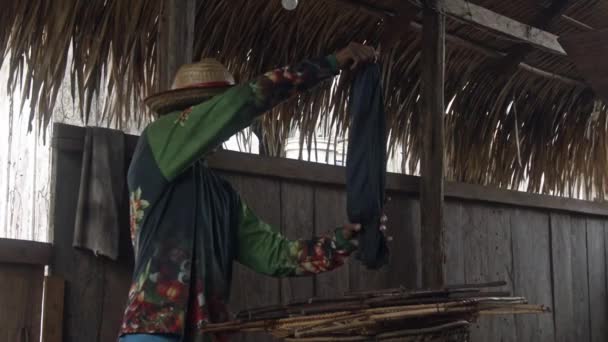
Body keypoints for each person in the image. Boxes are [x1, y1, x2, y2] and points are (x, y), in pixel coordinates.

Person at [120, 42, 378, 342]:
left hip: (208, 334)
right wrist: (329, 64)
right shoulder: (157, 142)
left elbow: (276, 255)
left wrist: (341, 242)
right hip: (153, 331)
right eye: (210, 112)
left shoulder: (223, 195)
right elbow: (243, 102)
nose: (220, 124)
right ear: (187, 115)